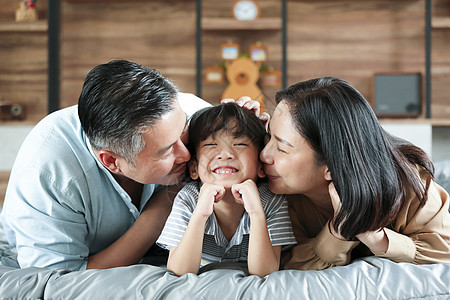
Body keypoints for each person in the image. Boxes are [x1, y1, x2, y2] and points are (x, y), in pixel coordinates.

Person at [0, 60, 213, 271]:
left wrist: (246, 126)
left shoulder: (186, 112)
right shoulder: (48, 173)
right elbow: (60, 280)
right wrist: (159, 213)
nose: (186, 154)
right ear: (112, 161)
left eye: (183, 129)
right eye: (167, 150)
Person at [259, 76, 450, 270]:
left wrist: (375, 237)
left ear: (332, 165)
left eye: (281, 149)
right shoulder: (275, 194)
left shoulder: (410, 184)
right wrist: (239, 133)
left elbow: (444, 252)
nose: (264, 154)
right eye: (268, 136)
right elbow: (280, 262)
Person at [156, 103, 296, 277]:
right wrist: (200, 215)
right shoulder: (188, 199)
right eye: (211, 145)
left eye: (239, 144)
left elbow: (265, 273)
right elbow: (178, 272)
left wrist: (256, 213)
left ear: (261, 166)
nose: (225, 154)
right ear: (194, 168)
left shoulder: (271, 200)